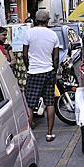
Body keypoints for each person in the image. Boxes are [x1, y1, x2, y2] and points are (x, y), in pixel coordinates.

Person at [23, 10, 60, 142]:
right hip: (48, 71)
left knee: (30, 103)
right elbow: (56, 57)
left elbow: (24, 54)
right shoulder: (53, 35)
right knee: (50, 102)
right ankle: (49, 133)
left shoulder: (28, 33)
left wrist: (29, 67)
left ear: (35, 19)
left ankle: (27, 135)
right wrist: (54, 72)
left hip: (34, 72)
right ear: (48, 20)